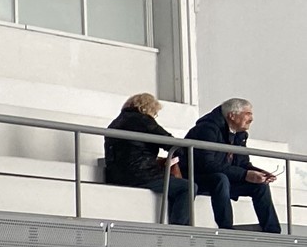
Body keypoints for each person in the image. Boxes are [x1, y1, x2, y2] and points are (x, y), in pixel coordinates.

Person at [183, 97, 283, 233]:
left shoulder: (240, 134)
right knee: (220, 179)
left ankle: (273, 231)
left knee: (260, 185)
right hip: (196, 177)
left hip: (223, 179)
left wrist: (259, 173)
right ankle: (226, 229)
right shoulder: (207, 129)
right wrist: (245, 175)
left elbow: (243, 163)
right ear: (232, 116)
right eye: (247, 114)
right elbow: (206, 165)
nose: (251, 119)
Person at [103, 93, 193, 227]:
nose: (154, 116)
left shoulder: (114, 123)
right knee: (188, 187)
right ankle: (178, 230)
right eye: (155, 113)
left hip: (115, 175)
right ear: (147, 108)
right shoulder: (143, 120)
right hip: (141, 175)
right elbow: (170, 143)